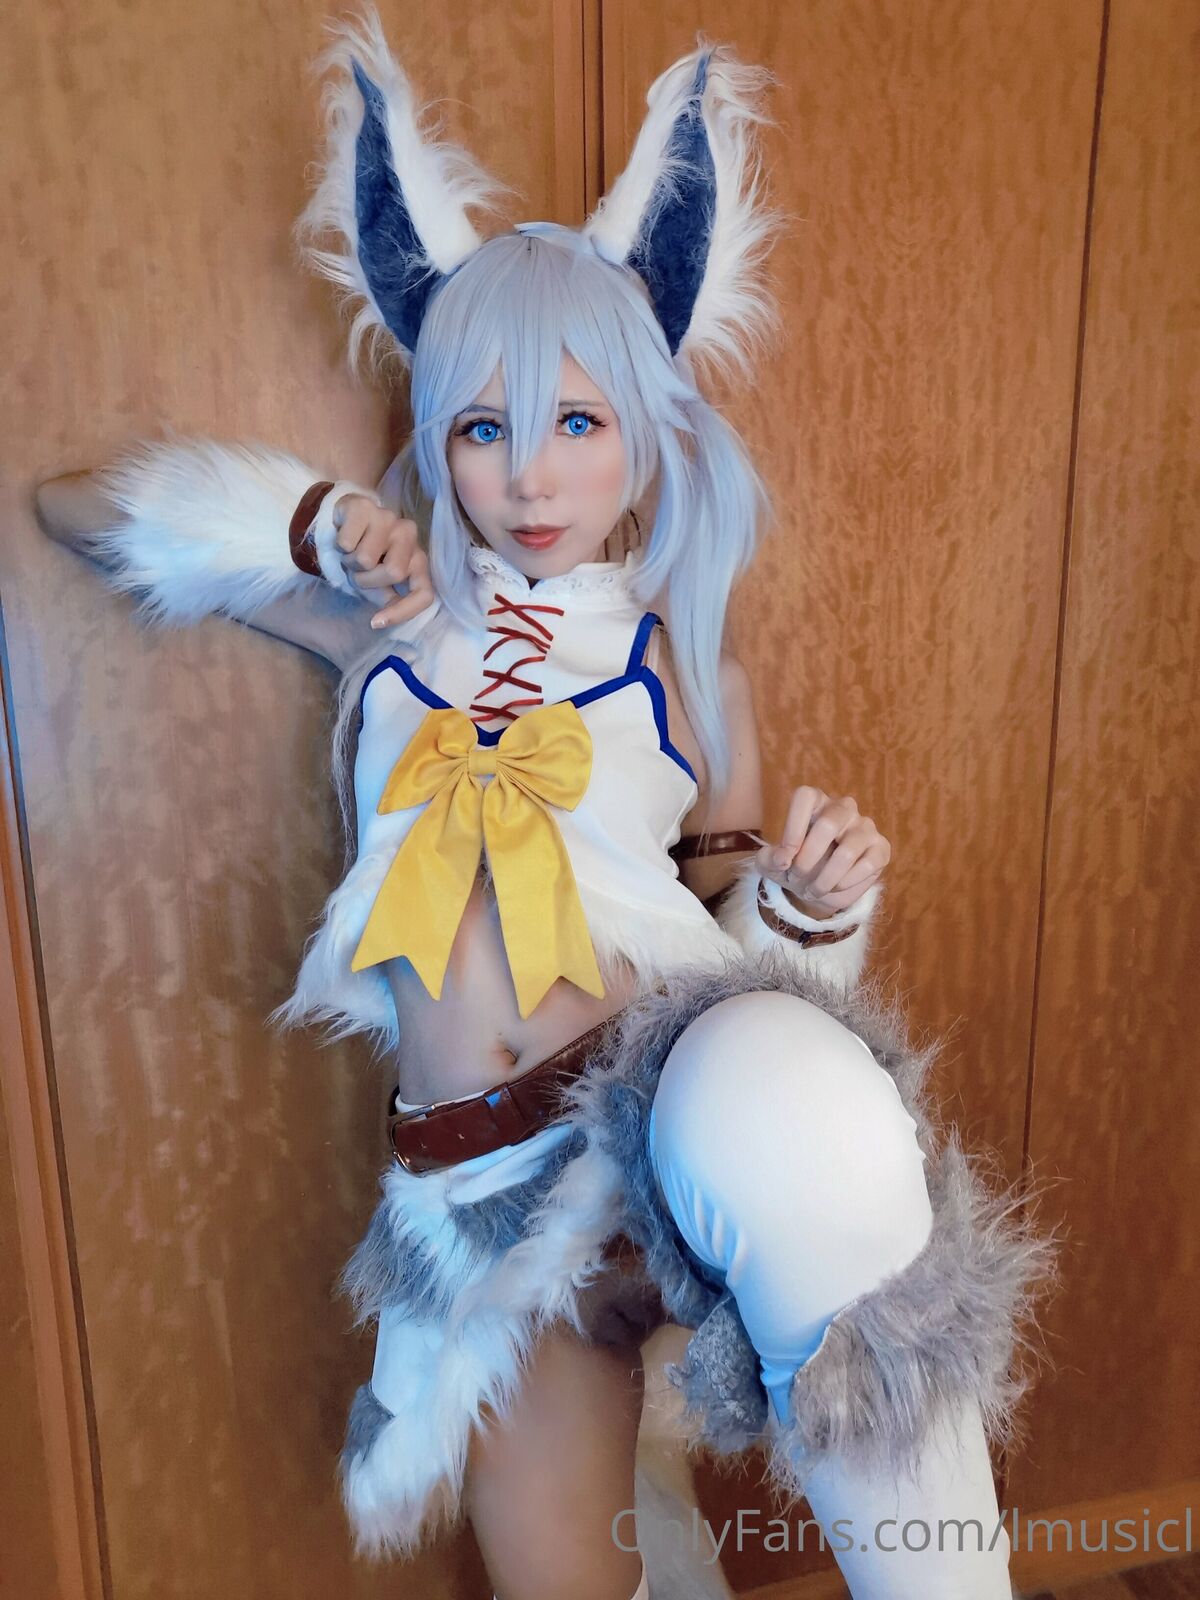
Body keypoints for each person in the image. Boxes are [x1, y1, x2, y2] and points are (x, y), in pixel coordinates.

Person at [34, 11, 1054, 1598]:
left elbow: (740, 946)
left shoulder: (684, 660)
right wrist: (310, 523)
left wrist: (807, 915)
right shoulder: (376, 622)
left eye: (578, 422)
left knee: (797, 1129)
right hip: (478, 1207)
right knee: (568, 1581)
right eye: (483, 427)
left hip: (655, 1121)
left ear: (644, 435)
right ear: (439, 438)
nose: (529, 477)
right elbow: (76, 510)